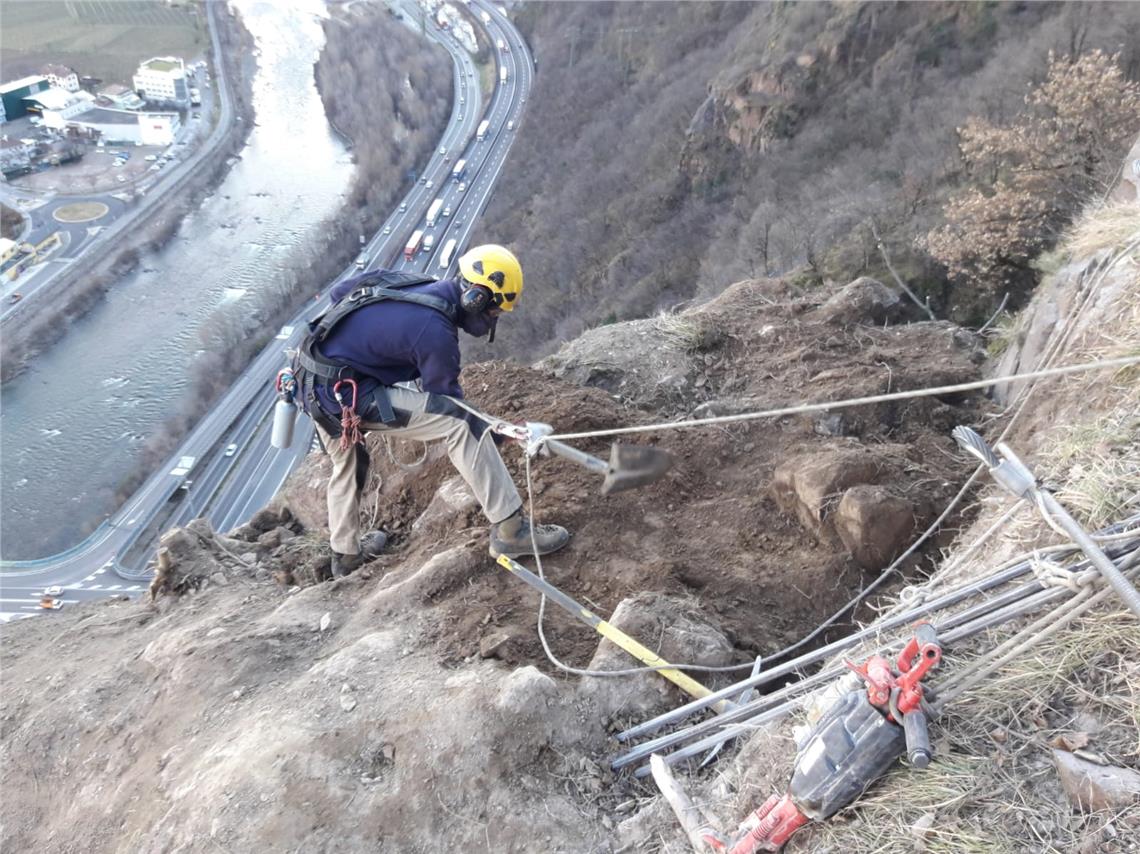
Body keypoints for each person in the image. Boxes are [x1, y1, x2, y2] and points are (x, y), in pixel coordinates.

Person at [293, 244, 571, 578]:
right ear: (476, 299)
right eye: (495, 310)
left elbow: (341, 292)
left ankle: (346, 555)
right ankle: (512, 531)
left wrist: (370, 342)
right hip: (343, 390)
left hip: (311, 376)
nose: (495, 318)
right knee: (460, 426)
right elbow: (451, 407)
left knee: (349, 462)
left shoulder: (412, 283)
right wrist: (504, 433)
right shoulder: (435, 332)